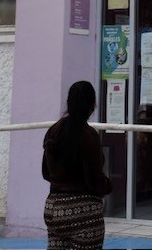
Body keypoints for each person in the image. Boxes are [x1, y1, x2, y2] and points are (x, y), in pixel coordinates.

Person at [41, 81, 113, 250]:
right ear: (92, 105)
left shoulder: (54, 131)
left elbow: (46, 172)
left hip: (53, 210)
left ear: (69, 102)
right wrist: (108, 186)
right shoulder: (88, 135)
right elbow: (94, 180)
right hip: (84, 213)